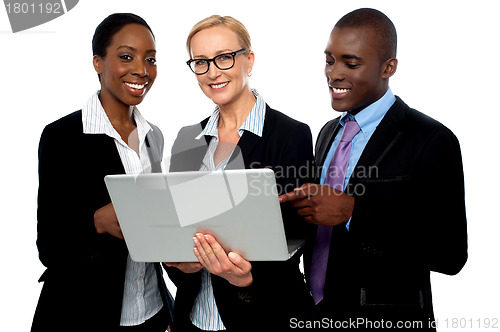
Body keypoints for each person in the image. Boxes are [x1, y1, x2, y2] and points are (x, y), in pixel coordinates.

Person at [279, 8, 468, 330]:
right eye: (329, 60)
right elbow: (322, 227)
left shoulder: (431, 139)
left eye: (351, 63)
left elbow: (450, 255)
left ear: (388, 67)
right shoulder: (327, 132)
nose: (333, 73)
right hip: (316, 315)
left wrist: (355, 212)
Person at [164, 15, 314, 331]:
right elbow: (174, 228)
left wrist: (246, 278)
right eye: (201, 62)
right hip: (194, 320)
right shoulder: (186, 140)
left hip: (263, 317)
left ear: (249, 60)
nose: (213, 71)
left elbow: (297, 235)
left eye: (224, 57)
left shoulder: (291, 135)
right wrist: (179, 263)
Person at [31, 13, 173, 332]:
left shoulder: (154, 136)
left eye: (150, 59)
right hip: (85, 314)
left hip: (152, 313)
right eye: (126, 57)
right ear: (98, 62)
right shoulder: (62, 136)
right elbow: (49, 247)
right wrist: (95, 222)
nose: (141, 70)